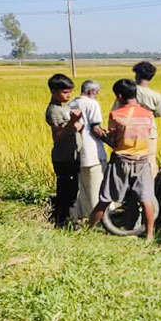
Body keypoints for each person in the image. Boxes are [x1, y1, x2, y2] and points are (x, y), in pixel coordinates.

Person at [89, 79, 157, 242]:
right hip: (142, 161)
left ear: (119, 96)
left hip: (121, 160)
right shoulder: (148, 114)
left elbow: (114, 141)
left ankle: (88, 230)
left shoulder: (116, 115)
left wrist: (102, 135)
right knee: (146, 199)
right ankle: (149, 236)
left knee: (105, 198)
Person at [113, 62, 161, 176]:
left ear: (137, 75)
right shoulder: (156, 95)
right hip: (150, 131)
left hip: (127, 130)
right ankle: (151, 188)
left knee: (128, 159)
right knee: (150, 161)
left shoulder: (128, 90)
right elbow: (159, 113)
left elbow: (116, 111)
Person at [45, 73, 83, 227]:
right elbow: (57, 136)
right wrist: (73, 124)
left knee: (74, 189)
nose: (69, 95)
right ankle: (61, 220)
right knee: (65, 190)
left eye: (70, 91)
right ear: (54, 92)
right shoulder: (53, 111)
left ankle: (70, 219)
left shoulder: (66, 107)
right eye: (65, 92)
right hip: (64, 157)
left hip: (74, 154)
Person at [69, 80, 108, 220]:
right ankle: (98, 218)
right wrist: (111, 140)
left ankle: (83, 216)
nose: (96, 96)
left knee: (83, 187)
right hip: (92, 151)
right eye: (96, 93)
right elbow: (95, 128)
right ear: (91, 91)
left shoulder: (71, 103)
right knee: (96, 186)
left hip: (77, 151)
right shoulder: (92, 104)